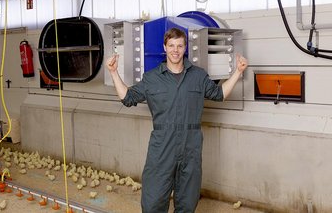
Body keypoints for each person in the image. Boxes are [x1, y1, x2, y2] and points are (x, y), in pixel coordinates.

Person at [106, 27, 247, 213]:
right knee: (153, 202)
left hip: (191, 148)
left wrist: (237, 72)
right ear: (165, 47)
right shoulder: (152, 78)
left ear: (185, 47)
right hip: (162, 148)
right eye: (171, 45)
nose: (175, 50)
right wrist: (114, 73)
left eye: (179, 45)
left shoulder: (198, 76)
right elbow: (127, 97)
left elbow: (219, 94)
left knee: (187, 204)